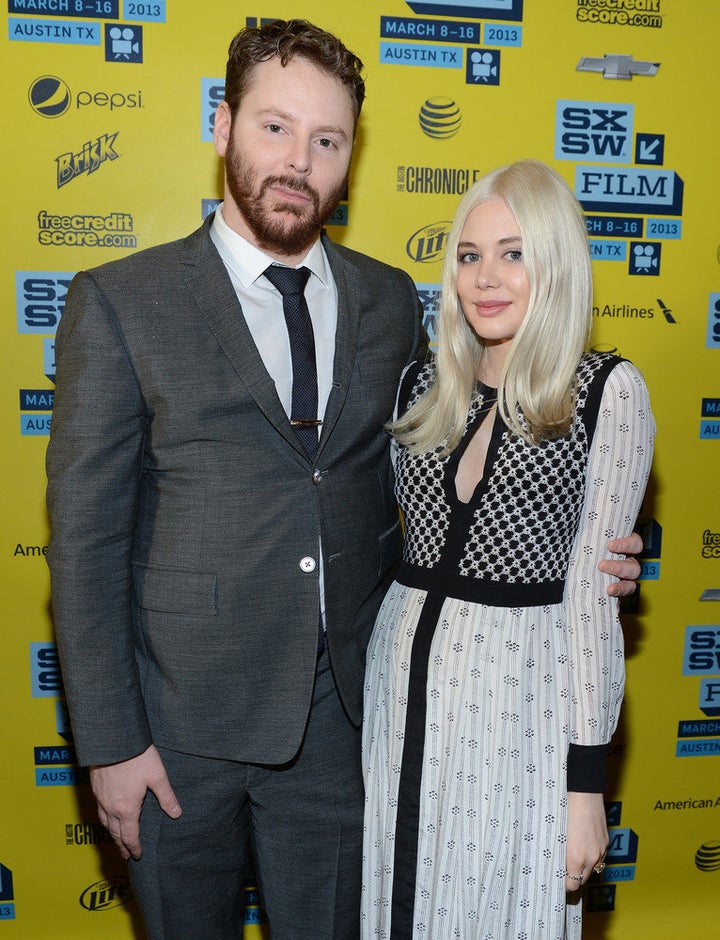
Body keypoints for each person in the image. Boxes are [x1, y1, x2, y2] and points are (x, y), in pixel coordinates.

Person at [45, 19, 642, 940]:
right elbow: (84, 544)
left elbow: (455, 480)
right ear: (223, 126)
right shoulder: (122, 301)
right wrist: (112, 745)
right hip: (177, 737)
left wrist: (599, 550)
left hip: (347, 728)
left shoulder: (388, 302)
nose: (298, 161)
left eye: (326, 140)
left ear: (350, 156)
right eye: (274, 127)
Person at [361, 160, 655, 939]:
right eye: (469, 254)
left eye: (514, 252)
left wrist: (585, 787)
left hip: (521, 702)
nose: (486, 277)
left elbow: (595, 605)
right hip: (402, 690)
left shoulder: (603, 391)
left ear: (555, 261)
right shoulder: (420, 383)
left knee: (505, 909)